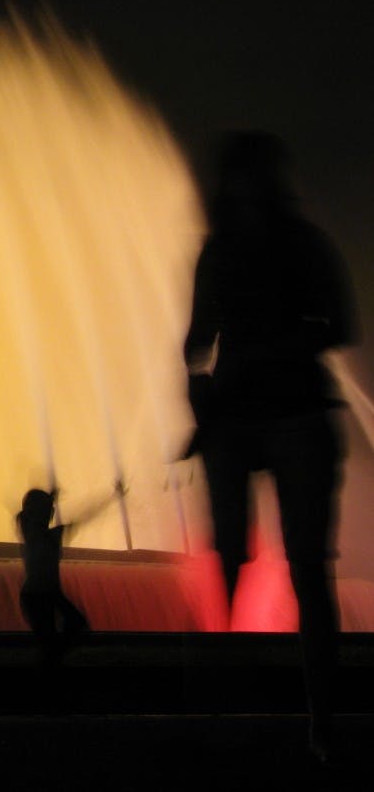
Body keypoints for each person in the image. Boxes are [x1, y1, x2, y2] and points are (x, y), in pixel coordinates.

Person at [183, 132, 354, 761]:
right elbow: (197, 338)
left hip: (296, 414)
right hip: (243, 416)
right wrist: (198, 387)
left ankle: (320, 719)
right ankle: (223, 691)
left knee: (307, 566)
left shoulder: (302, 246)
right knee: (231, 550)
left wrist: (261, 355)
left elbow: (340, 325)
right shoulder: (222, 251)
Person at [15, 487, 107, 670]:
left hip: (49, 594)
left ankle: (52, 658)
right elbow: (23, 515)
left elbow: (87, 516)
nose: (51, 514)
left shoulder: (52, 534)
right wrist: (48, 498)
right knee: (54, 638)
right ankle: (52, 660)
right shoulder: (31, 533)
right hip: (36, 596)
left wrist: (111, 498)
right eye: (47, 510)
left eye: (51, 510)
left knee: (73, 627)